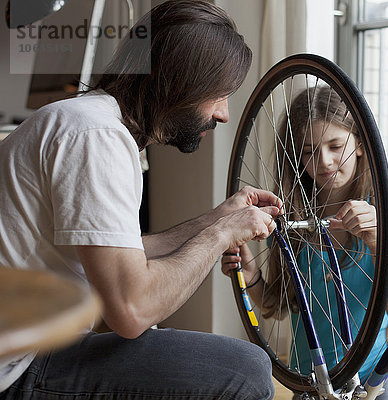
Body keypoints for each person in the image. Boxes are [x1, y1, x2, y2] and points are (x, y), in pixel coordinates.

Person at [0, 1, 280, 399]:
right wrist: (220, 234)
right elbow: (131, 310)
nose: (224, 115)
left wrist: (215, 218)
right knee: (246, 371)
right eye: (219, 95)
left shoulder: (89, 121)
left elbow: (116, 256)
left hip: (27, 347)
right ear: (181, 81)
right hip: (16, 368)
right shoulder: (97, 138)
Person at [221, 87, 388, 399]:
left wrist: (376, 242)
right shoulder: (289, 221)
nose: (325, 162)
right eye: (309, 151)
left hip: (386, 367)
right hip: (314, 378)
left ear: (360, 144)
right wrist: (251, 276)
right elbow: (276, 305)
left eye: (336, 146)